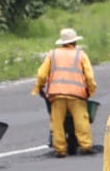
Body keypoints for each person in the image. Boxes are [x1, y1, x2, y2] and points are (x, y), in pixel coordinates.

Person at [34, 27, 97, 157]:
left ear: (62, 42)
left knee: (57, 122)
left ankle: (60, 149)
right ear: (75, 42)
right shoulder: (81, 55)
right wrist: (90, 91)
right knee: (81, 121)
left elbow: (41, 75)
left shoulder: (52, 55)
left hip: (57, 94)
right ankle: (86, 146)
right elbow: (89, 77)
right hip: (77, 94)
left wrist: (39, 88)